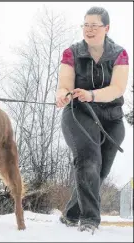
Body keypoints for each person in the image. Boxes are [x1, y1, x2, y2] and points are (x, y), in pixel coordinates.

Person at [55, 6, 129, 233]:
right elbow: (64, 84)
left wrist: (93, 95)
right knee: (88, 160)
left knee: (99, 172)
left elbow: (117, 88)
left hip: (111, 117)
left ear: (106, 28)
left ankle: (70, 214)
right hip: (79, 114)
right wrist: (63, 95)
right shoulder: (72, 53)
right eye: (85, 25)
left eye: (94, 25)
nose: (89, 30)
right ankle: (89, 221)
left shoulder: (119, 54)